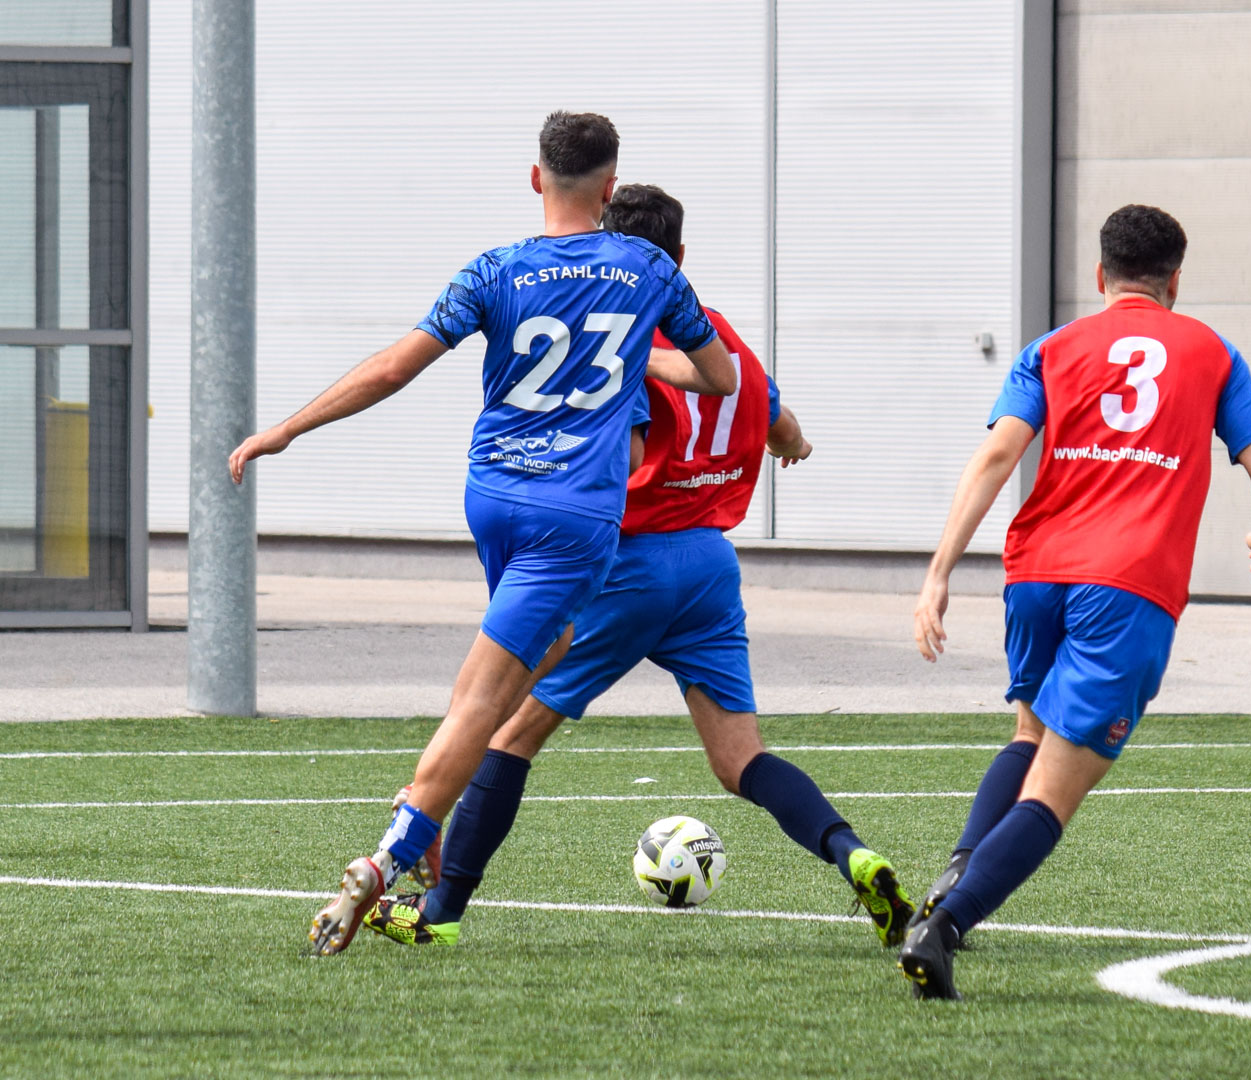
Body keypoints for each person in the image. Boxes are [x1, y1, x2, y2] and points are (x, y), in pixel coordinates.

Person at [227, 113, 739, 956]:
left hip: (494, 497)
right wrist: (637, 359)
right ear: (610, 187)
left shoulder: (494, 270)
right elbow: (717, 377)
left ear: (536, 178)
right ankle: (393, 850)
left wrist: (287, 429)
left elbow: (395, 366)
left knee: (545, 649)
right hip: (574, 516)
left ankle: (428, 803)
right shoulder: (649, 268)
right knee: (485, 693)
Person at [361, 184, 916, 950]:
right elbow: (777, 419)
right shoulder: (720, 338)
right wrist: (792, 444)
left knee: (507, 731)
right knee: (741, 758)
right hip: (709, 567)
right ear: (678, 256)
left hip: (628, 564)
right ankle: (852, 854)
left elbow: (611, 447)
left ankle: (441, 911)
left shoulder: (613, 340)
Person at [898, 205, 1251, 999]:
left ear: (1099, 275)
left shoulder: (1051, 347)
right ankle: (943, 927)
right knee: (1056, 789)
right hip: (1128, 584)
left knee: (1029, 732)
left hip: (1037, 572)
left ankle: (954, 877)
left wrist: (939, 571)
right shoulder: (1213, 352)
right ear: (1175, 281)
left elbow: (998, 454)